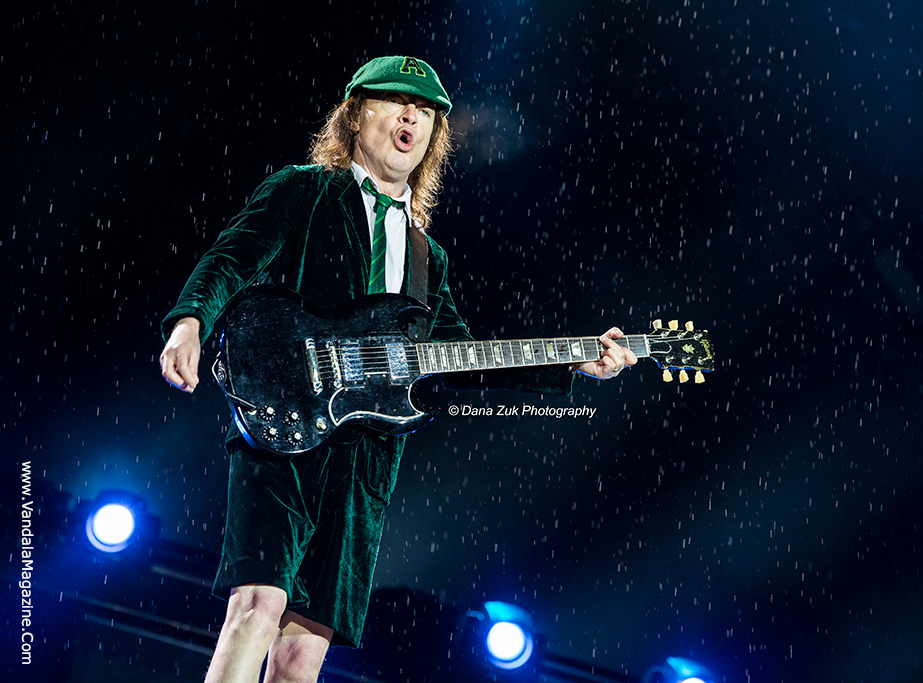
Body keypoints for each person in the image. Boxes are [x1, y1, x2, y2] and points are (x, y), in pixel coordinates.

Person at [158, 55, 636, 683]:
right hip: (282, 426)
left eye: (426, 111)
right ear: (355, 116)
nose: (411, 116)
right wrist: (190, 321)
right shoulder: (304, 191)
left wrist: (571, 362)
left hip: (365, 462)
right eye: (395, 101)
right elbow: (230, 258)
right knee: (257, 606)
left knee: (303, 655)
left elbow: (460, 362)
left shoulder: (426, 256)